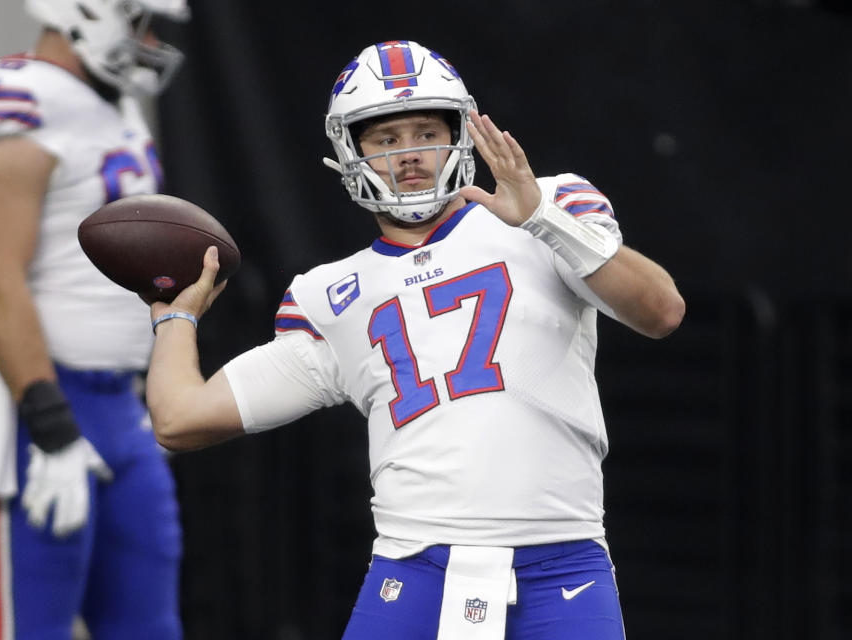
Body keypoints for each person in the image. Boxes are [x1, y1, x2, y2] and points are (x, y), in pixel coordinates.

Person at [145, 40, 686, 639]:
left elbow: (662, 311)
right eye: (386, 139)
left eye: (425, 130)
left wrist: (541, 218)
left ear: (460, 132)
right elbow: (179, 419)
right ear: (351, 152)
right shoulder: (332, 294)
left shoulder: (549, 208)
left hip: (560, 565)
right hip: (413, 572)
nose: (409, 155)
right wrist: (174, 318)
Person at [0, 1, 189, 637]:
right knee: (31, 628)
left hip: (120, 405)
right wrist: (48, 421)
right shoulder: (14, 99)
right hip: (36, 399)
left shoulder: (113, 104)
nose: (152, 41)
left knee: (148, 626)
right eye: (141, 24)